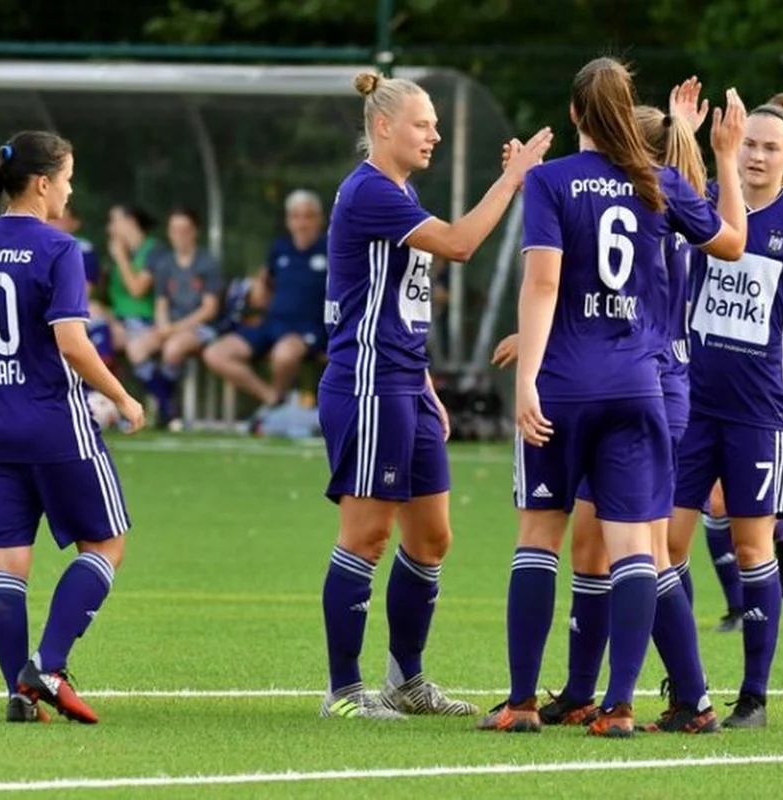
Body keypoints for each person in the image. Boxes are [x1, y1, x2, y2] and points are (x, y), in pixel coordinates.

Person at [477, 58, 746, 738]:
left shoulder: (550, 181)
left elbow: (543, 285)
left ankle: (521, 703)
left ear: (574, 115)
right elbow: (733, 244)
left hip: (566, 385)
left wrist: (526, 379)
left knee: (540, 539)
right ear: (628, 115)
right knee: (636, 550)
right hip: (640, 387)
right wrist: (725, 159)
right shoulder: (656, 185)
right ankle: (620, 705)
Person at [317, 70, 552, 720]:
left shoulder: (399, 190)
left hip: (404, 385)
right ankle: (342, 693)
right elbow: (460, 244)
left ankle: (406, 682)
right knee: (365, 536)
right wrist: (512, 180)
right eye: (424, 124)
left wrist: (423, 383)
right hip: (367, 384)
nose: (436, 135)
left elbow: (396, 301)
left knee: (432, 537)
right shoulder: (369, 191)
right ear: (384, 126)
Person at [668, 92, 783, 729]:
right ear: (734, 145)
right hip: (688, 403)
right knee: (664, 548)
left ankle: (753, 697)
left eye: (770, 147)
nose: (757, 155)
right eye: (749, 143)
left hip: (758, 410)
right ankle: (686, 686)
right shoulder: (705, 205)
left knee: (753, 550)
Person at [0, 131, 145, 724]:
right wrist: (122, 397)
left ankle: (18, 693)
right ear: (42, 183)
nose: (70, 188)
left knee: (7, 562)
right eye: (66, 177)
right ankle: (48, 665)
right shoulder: (60, 250)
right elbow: (71, 342)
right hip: (55, 425)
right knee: (107, 543)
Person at [705, 293, 783, 632]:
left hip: (768, 396)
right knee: (716, 503)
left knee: (761, 513)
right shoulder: (703, 242)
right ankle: (738, 608)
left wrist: (765, 339)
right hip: (711, 387)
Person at [203, 189, 328, 420]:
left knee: (284, 355)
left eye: (308, 216)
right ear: (289, 220)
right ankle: (273, 400)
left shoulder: (331, 248)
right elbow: (264, 282)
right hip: (271, 323)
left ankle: (278, 406)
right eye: (296, 216)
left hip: (308, 328)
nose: (302, 223)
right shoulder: (280, 248)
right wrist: (255, 292)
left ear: (319, 219)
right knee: (216, 353)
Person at [127, 207, 223, 426]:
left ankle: (165, 408)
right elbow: (161, 303)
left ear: (194, 232)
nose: (179, 235)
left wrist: (175, 329)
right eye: (174, 230)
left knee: (173, 348)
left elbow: (209, 309)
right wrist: (163, 325)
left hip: (200, 326)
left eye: (184, 230)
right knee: (136, 348)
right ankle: (166, 404)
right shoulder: (165, 264)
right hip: (171, 325)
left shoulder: (207, 262)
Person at [49, 203, 113, 367]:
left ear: (75, 224)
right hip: (44, 306)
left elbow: (85, 290)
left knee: (95, 310)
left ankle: (103, 367)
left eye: (63, 220)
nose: (56, 224)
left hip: (70, 306)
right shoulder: (37, 247)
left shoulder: (82, 248)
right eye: (53, 219)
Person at [104, 204, 163, 356]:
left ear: (130, 221)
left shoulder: (154, 250)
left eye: (113, 222)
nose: (110, 229)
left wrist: (121, 257)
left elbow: (137, 290)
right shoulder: (122, 253)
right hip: (119, 318)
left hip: (144, 320)